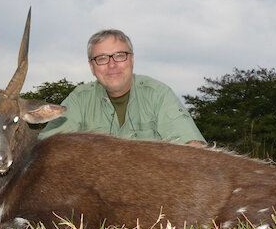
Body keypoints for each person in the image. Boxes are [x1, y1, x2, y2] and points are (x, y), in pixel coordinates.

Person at [39, 29, 206, 146]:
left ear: (131, 60)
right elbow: (46, 147)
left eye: (120, 56)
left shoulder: (158, 94)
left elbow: (194, 147)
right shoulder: (80, 98)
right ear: (92, 67)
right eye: (102, 58)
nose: (112, 65)